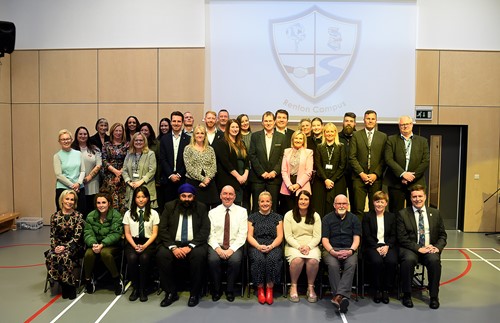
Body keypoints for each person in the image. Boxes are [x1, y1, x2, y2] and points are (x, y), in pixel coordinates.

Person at [156, 183, 211, 308]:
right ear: (179, 197)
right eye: (183, 196)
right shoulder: (170, 207)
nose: (186, 199)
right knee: (162, 255)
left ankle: (194, 294)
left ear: (194, 197)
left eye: (189, 196)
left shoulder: (201, 208)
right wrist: (173, 247)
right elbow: (163, 229)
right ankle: (170, 293)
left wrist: (190, 246)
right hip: (173, 243)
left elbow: (205, 230)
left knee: (198, 255)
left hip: (194, 244)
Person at [397, 185, 447, 309]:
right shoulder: (402, 214)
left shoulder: (435, 213)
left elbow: (442, 235)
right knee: (408, 260)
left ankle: (434, 296)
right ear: (410, 198)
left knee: (434, 260)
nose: (417, 199)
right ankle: (407, 294)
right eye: (414, 196)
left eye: (420, 196)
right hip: (411, 248)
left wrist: (437, 248)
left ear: (425, 197)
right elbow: (402, 238)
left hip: (430, 248)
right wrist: (418, 248)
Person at [207, 185, 248, 302]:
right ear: (220, 196)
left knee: (235, 261)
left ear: (235, 196)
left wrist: (231, 250)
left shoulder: (242, 212)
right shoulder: (212, 212)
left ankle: (230, 290)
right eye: (225, 194)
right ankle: (217, 289)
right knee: (213, 260)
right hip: (217, 245)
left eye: (230, 194)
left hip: (234, 246)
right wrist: (218, 249)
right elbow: (210, 234)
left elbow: (242, 234)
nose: (227, 196)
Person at [321, 194, 361, 313]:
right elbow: (324, 240)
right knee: (333, 265)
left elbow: (356, 239)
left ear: (348, 205)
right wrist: (332, 251)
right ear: (334, 205)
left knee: (352, 263)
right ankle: (342, 296)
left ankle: (338, 297)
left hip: (349, 249)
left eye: (344, 203)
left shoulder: (354, 219)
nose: (341, 206)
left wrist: (351, 251)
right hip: (331, 249)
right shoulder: (327, 219)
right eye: (339, 203)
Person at [384, 116, 430, 213]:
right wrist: (403, 174)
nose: (405, 126)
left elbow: (425, 161)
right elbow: (388, 159)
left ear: (412, 124)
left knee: (415, 212)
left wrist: (411, 176)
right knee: (395, 212)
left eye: (407, 124)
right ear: (399, 126)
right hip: (396, 183)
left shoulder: (422, 141)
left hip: (416, 183)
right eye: (402, 124)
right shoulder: (391, 140)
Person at [45, 189, 85, 300]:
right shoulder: (54, 217)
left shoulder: (78, 216)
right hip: (58, 246)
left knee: (65, 256)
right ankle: (64, 284)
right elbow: (52, 235)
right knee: (51, 256)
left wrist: (65, 247)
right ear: (62, 200)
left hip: (74, 246)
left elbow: (77, 237)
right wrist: (55, 247)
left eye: (72, 200)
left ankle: (69, 286)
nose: (69, 201)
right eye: (67, 199)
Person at [283, 190, 321, 303]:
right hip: (293, 245)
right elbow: (288, 236)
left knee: (313, 261)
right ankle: (293, 286)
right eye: (301, 199)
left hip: (311, 245)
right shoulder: (289, 215)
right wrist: (299, 247)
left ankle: (310, 287)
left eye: (306, 199)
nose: (303, 201)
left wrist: (308, 247)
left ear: (310, 201)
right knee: (297, 260)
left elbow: (317, 236)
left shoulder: (315, 216)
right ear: (297, 200)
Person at [349, 110, 387, 219]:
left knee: (375, 209)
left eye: (372, 119)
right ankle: (358, 235)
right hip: (359, 178)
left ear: (376, 120)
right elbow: (352, 157)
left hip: (376, 179)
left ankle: (372, 234)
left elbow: (385, 159)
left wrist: (375, 174)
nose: (370, 121)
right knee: (358, 209)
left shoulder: (383, 137)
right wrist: (362, 174)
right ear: (364, 120)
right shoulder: (356, 135)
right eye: (368, 118)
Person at [123, 186, 159, 302]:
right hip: (132, 241)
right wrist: (135, 246)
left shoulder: (154, 213)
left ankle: (143, 288)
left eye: (143, 197)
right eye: (138, 197)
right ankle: (136, 288)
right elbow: (127, 234)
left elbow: (154, 234)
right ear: (134, 199)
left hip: (148, 242)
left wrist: (144, 246)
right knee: (132, 258)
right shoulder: (128, 214)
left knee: (144, 257)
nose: (141, 199)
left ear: (148, 198)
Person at [83, 192, 124, 295]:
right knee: (88, 254)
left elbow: (116, 234)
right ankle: (88, 279)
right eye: (98, 203)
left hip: (112, 244)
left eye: (104, 202)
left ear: (109, 203)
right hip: (96, 244)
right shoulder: (91, 216)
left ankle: (116, 279)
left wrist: (102, 244)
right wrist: (93, 244)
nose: (101, 205)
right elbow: (88, 233)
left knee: (105, 253)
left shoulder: (116, 215)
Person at [247, 191, 283, 305]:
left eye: (267, 201)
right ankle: (260, 288)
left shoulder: (278, 217)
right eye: (262, 201)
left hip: (273, 245)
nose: (265, 203)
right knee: (259, 260)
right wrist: (258, 246)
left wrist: (271, 246)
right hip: (256, 245)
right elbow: (249, 236)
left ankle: (269, 288)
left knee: (272, 259)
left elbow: (280, 236)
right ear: (258, 203)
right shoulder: (252, 217)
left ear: (271, 203)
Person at [362, 191, 398, 304]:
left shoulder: (391, 217)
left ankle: (386, 289)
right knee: (377, 261)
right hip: (372, 246)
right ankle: (376, 289)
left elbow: (394, 235)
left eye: (382, 202)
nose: (379, 204)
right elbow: (366, 235)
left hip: (388, 246)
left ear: (386, 203)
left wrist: (387, 246)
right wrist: (376, 247)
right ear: (373, 202)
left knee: (391, 261)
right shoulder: (367, 216)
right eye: (377, 201)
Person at [248, 111, 286, 212]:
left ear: (274, 122)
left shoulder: (282, 137)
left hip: (274, 179)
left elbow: (283, 156)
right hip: (258, 178)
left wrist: (274, 172)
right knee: (256, 206)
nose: (268, 123)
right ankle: (254, 227)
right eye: (266, 121)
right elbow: (252, 155)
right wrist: (262, 172)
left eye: (270, 121)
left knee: (274, 206)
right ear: (262, 122)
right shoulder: (255, 136)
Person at [312, 123, 347, 217]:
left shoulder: (341, 146)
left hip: (337, 181)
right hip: (321, 181)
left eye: (332, 131)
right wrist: (326, 179)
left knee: (336, 207)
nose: (329, 133)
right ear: (324, 133)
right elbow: (317, 164)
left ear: (335, 133)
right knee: (320, 207)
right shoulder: (319, 147)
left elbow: (342, 165)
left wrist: (332, 180)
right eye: (327, 131)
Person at [214, 119, 249, 206]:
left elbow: (247, 161)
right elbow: (226, 163)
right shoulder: (222, 143)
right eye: (232, 127)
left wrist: (245, 175)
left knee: (239, 207)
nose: (235, 129)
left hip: (242, 181)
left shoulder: (242, 143)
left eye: (237, 127)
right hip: (229, 179)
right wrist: (238, 177)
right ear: (228, 129)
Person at [279, 130, 313, 215]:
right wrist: (289, 185)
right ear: (292, 140)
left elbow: (309, 171)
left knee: (300, 212)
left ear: (304, 140)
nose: (298, 140)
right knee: (287, 212)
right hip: (288, 186)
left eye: (300, 138)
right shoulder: (287, 151)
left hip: (302, 186)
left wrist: (298, 185)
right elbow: (284, 170)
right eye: (296, 138)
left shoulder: (309, 152)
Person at [183, 125, 218, 208]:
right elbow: (189, 168)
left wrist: (207, 179)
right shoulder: (188, 149)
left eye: (202, 133)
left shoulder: (210, 149)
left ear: (205, 135)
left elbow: (214, 167)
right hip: (193, 183)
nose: (200, 135)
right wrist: (202, 179)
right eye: (197, 133)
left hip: (209, 184)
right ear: (194, 136)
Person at [159, 111, 190, 203]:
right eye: (174, 121)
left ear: (182, 122)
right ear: (171, 122)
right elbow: (162, 159)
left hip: (183, 179)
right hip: (168, 180)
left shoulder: (188, 139)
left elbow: (188, 160)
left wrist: (179, 174)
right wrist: (171, 175)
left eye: (179, 121)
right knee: (169, 207)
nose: (176, 124)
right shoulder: (164, 139)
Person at [72, 126, 102, 217]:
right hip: (76, 185)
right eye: (80, 134)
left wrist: (89, 177)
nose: (83, 136)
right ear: (76, 136)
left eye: (85, 134)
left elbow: (99, 164)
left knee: (91, 211)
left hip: (92, 184)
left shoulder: (95, 149)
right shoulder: (71, 149)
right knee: (79, 210)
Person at [53, 129, 85, 214]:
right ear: (59, 141)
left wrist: (78, 183)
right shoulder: (57, 156)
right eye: (63, 139)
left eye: (67, 139)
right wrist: (72, 186)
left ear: (71, 140)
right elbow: (59, 175)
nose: (66, 141)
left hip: (79, 188)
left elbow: (83, 171)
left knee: (80, 213)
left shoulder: (78, 154)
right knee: (62, 214)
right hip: (63, 188)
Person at [123, 132, 157, 209]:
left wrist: (140, 182)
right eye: (136, 140)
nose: (138, 142)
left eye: (141, 140)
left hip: (146, 187)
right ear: (133, 142)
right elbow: (124, 170)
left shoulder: (150, 154)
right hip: (132, 188)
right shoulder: (129, 154)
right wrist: (129, 182)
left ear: (144, 142)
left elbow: (152, 171)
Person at [101, 123, 129, 215]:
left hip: (124, 177)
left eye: (120, 131)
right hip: (109, 177)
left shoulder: (127, 145)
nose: (118, 133)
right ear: (112, 132)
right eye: (116, 131)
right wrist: (115, 171)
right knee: (111, 203)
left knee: (123, 204)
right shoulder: (106, 144)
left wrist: (120, 172)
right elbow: (104, 160)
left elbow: (129, 159)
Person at [338, 112, 357, 209]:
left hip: (355, 175)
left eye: (351, 121)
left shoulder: (359, 137)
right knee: (341, 201)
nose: (348, 123)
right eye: (346, 121)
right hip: (340, 175)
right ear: (343, 123)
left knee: (355, 202)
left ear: (355, 124)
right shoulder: (336, 137)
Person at [156, 117, 171, 211]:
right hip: (159, 176)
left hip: (169, 175)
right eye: (161, 126)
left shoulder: (172, 139)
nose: (163, 128)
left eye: (166, 125)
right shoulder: (157, 140)